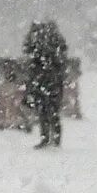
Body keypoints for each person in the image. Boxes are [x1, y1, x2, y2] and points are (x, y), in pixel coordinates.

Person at [21, 19, 69, 149]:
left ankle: (47, 138)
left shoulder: (38, 41)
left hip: (42, 79)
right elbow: (61, 57)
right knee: (51, 111)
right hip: (51, 80)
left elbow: (28, 52)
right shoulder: (54, 42)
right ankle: (54, 139)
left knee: (44, 111)